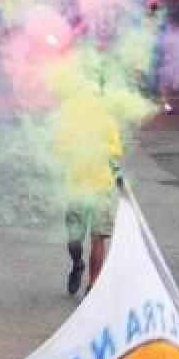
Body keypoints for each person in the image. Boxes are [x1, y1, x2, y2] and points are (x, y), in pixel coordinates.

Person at [61, 117, 124, 297]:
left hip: (103, 186)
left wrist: (117, 172)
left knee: (99, 236)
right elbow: (61, 149)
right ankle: (78, 264)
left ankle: (93, 285)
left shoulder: (108, 120)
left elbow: (116, 150)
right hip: (77, 187)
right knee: (74, 240)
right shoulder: (70, 119)